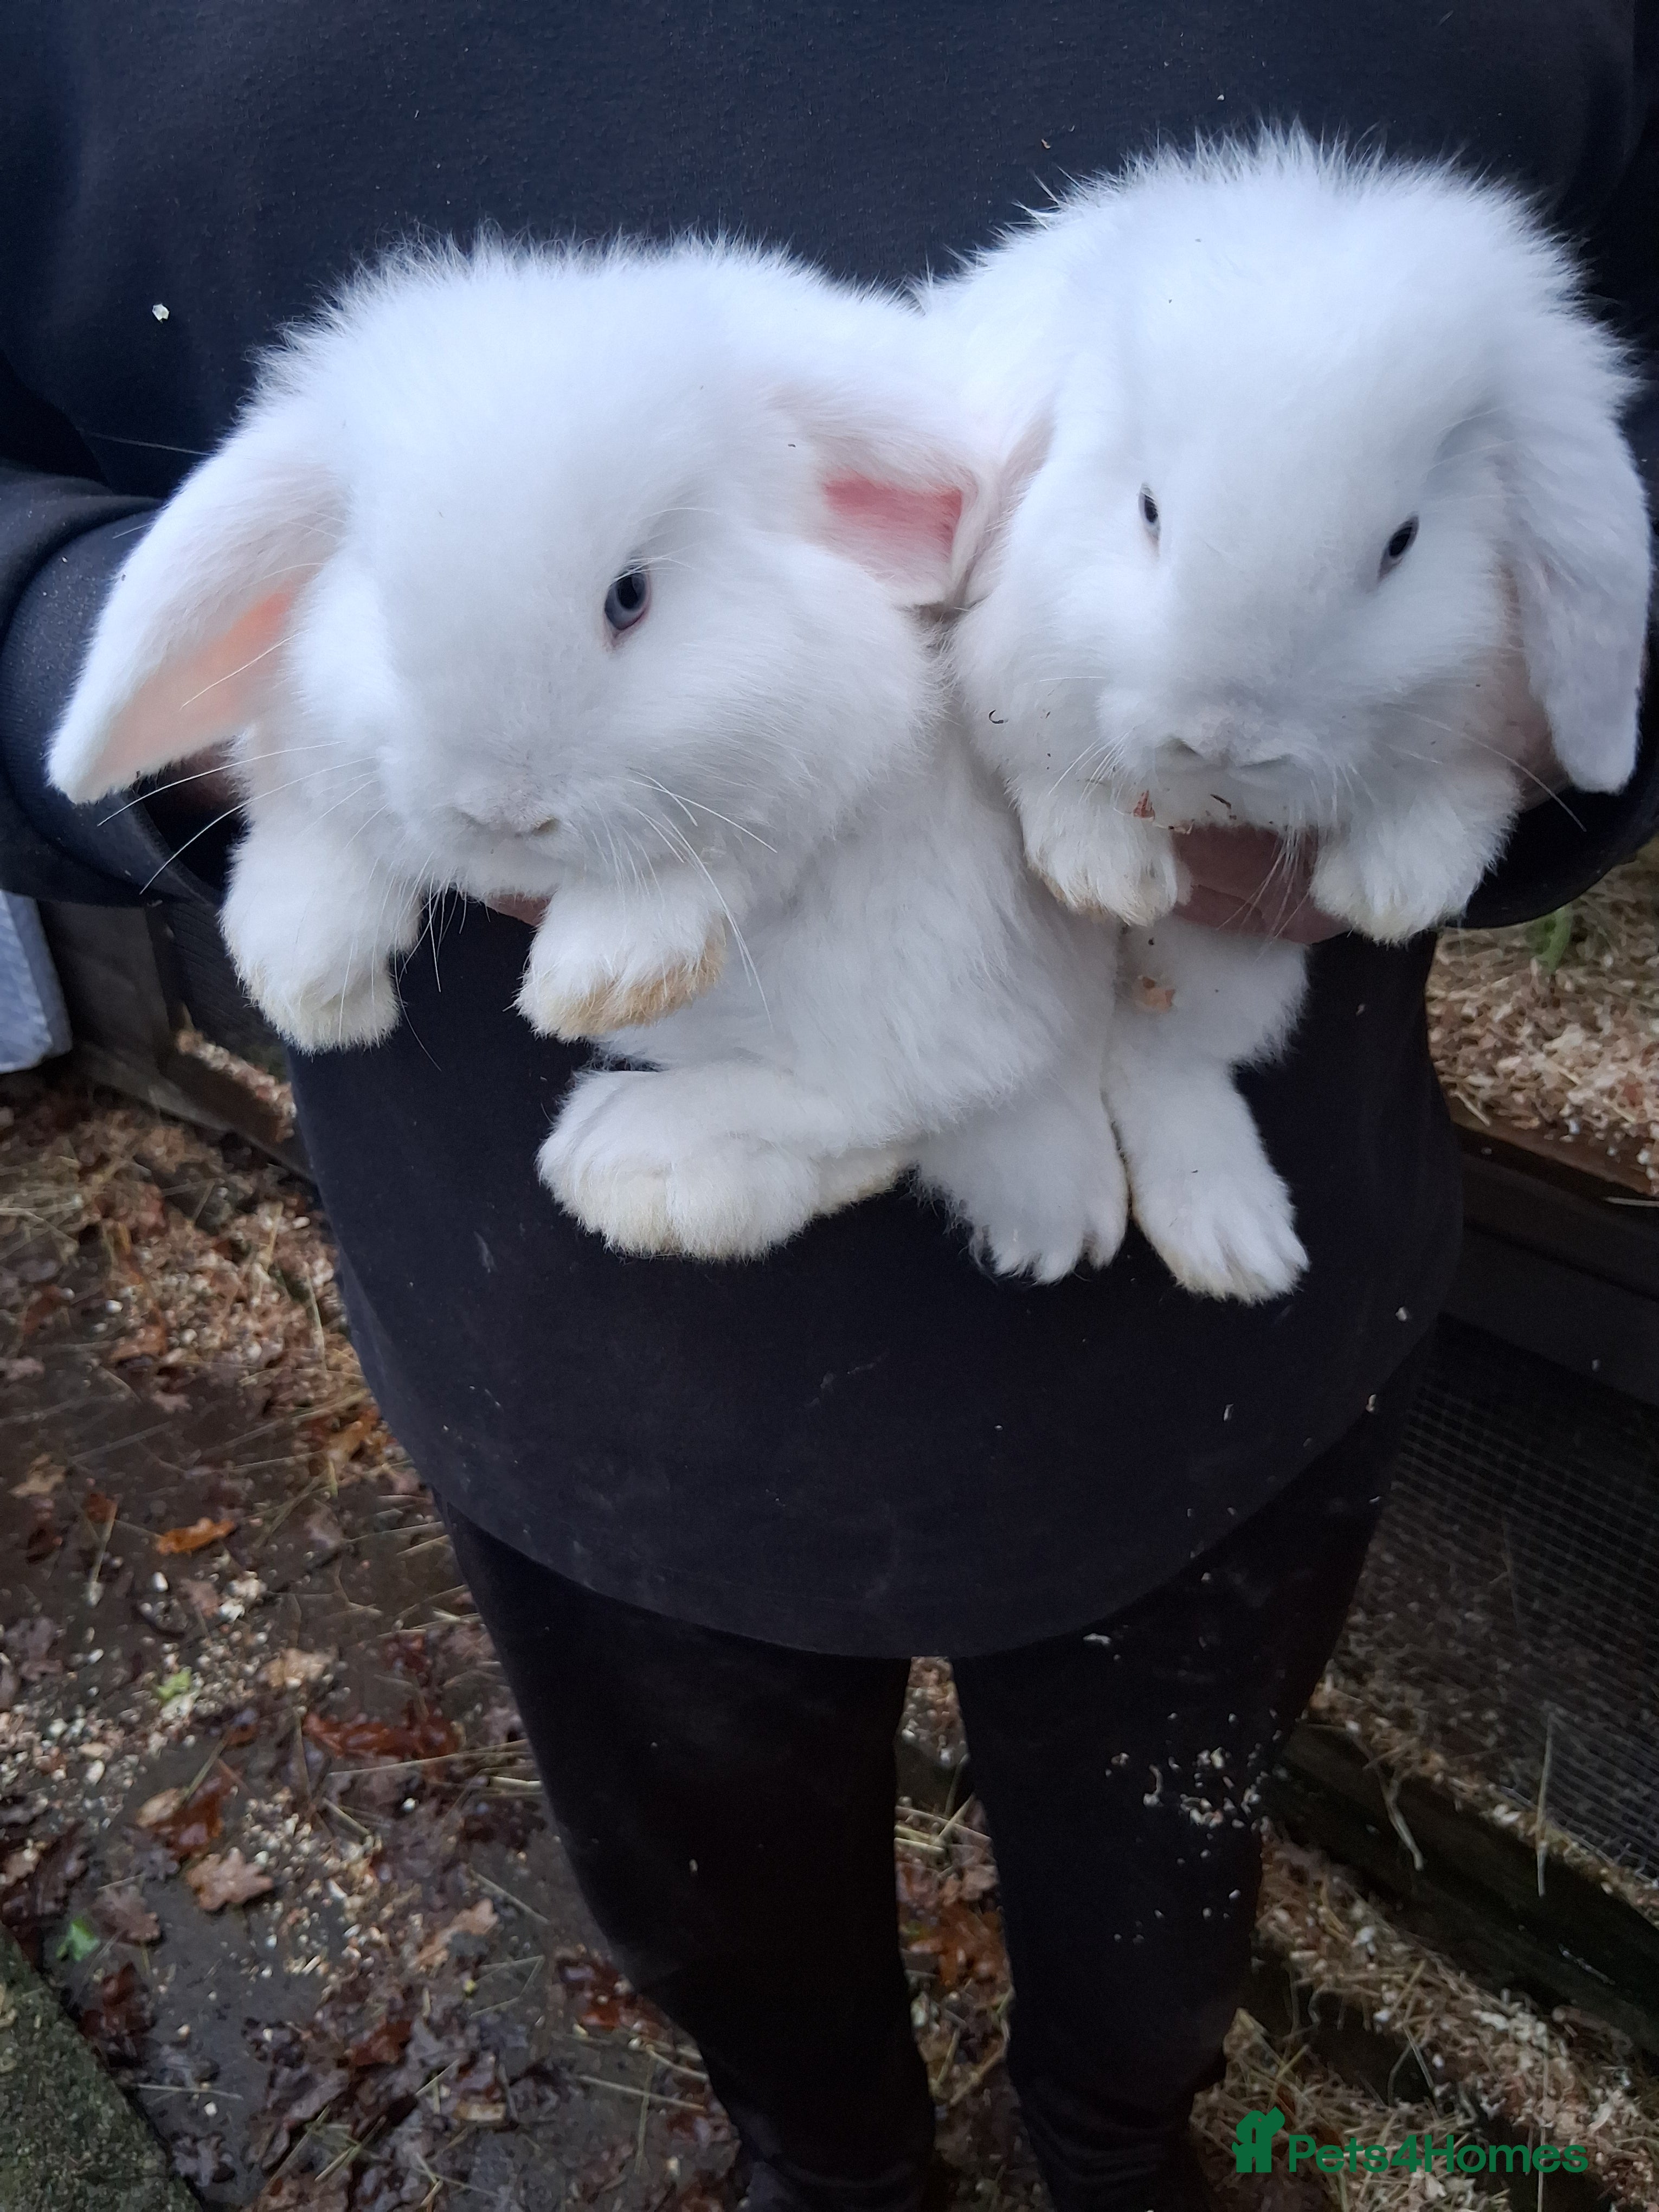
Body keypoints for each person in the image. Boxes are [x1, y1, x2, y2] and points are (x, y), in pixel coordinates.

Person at [0, 10, 1654, 2207]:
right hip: (573, 1365)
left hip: (1233, 1361)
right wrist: (256, 742)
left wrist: (1500, 757)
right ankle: (832, 2157)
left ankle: (1120, 2131)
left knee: (1163, 1891)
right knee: (725, 1920)